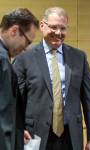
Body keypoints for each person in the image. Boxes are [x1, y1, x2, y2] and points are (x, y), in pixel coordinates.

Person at [13, 7, 90, 150]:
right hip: (35, 135)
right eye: (53, 27)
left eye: (63, 28)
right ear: (42, 25)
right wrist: (18, 129)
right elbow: (15, 100)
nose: (58, 33)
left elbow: (89, 100)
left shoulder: (79, 57)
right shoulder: (24, 57)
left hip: (70, 136)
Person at [0, 8, 39, 150]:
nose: (25, 49)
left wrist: (17, 132)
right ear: (14, 31)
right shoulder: (2, 61)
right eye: (28, 42)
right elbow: (2, 116)